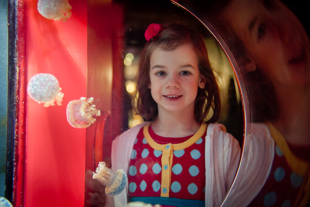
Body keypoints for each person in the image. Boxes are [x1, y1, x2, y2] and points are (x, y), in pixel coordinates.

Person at [186, 0, 310, 206]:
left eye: (271, 5)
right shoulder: (256, 155)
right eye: (261, 30)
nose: (286, 29)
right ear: (246, 61)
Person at [105, 23, 241, 207]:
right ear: (149, 81)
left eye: (184, 72)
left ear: (201, 79)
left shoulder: (224, 148)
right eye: (161, 73)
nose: (172, 83)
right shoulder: (123, 145)